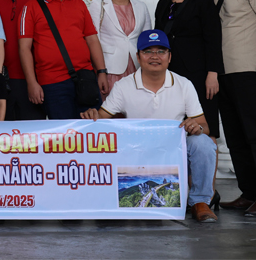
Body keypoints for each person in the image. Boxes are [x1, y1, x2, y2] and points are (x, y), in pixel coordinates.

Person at [81, 29, 219, 223]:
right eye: (148, 51)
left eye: (161, 51)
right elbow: (101, 119)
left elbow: (204, 125)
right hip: (137, 152)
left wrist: (198, 127)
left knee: (203, 142)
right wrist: (93, 115)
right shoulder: (124, 85)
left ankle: (200, 202)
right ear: (138, 57)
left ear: (169, 57)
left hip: (173, 152)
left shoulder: (184, 84)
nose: (155, 56)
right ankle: (105, 200)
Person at [204, 0, 256, 216]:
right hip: (221, 74)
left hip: (248, 70)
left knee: (255, 134)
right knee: (235, 137)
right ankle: (249, 193)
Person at [18, 0, 109, 120]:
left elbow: (92, 39)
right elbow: (24, 49)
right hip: (52, 83)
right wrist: (32, 83)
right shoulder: (30, 8)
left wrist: (102, 71)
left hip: (86, 78)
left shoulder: (78, 3)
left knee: (91, 129)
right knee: (64, 133)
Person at [154, 0, 223, 152]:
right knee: (175, 127)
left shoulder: (204, 2)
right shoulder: (162, 4)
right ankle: (180, 173)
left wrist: (213, 73)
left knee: (206, 129)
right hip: (170, 75)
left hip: (200, 75)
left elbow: (213, 39)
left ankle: (206, 174)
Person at [89, 0, 152, 97]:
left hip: (137, 69)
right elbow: (93, 41)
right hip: (110, 71)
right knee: (111, 108)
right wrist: (100, 71)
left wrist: (149, 70)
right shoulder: (97, 5)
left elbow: (147, 41)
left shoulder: (141, 6)